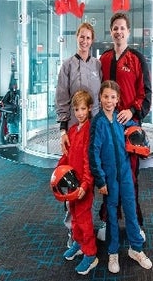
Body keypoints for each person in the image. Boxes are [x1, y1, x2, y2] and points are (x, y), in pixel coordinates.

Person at [98, 12, 152, 241]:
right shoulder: (104, 59)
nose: (118, 32)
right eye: (115, 28)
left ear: (128, 32)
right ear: (111, 32)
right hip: (108, 127)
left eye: (122, 28)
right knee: (110, 175)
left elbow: (146, 93)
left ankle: (134, 223)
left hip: (130, 127)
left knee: (130, 177)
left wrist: (133, 111)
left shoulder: (137, 59)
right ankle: (107, 221)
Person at [88, 80, 152, 274]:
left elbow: (136, 130)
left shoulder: (121, 119)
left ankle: (136, 249)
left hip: (125, 174)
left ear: (118, 100)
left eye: (113, 97)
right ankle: (113, 252)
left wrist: (133, 115)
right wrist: (100, 180)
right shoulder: (97, 123)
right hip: (109, 178)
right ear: (100, 97)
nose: (109, 100)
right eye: (106, 96)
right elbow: (93, 153)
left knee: (131, 210)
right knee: (112, 216)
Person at [55, 22, 102, 247]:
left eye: (88, 38)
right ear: (77, 38)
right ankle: (72, 232)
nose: (84, 41)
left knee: (92, 176)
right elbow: (62, 99)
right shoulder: (67, 66)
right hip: (74, 131)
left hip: (94, 131)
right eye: (81, 37)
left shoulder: (97, 65)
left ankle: (95, 226)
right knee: (72, 179)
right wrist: (63, 129)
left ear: (92, 41)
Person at [56, 90, 98, 275]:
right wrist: (57, 174)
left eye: (83, 109)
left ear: (89, 109)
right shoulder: (73, 130)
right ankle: (78, 243)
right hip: (71, 185)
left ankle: (91, 254)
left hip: (83, 186)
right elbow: (67, 156)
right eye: (76, 109)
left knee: (84, 220)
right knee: (73, 216)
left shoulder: (90, 131)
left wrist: (85, 184)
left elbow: (90, 161)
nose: (80, 113)